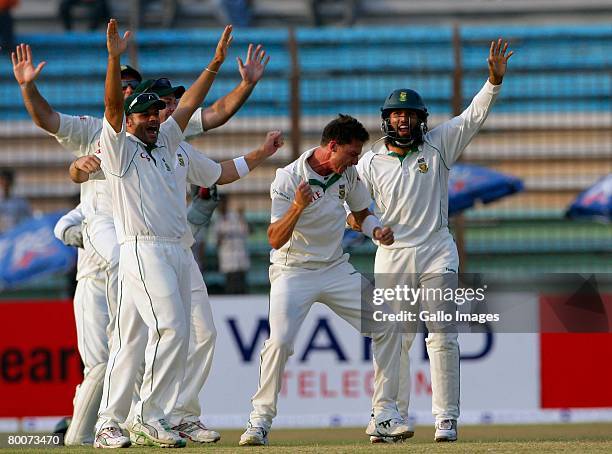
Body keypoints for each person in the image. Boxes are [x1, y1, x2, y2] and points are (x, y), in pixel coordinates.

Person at [12, 34, 269, 446]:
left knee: (132, 341)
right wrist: (114, 60)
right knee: (170, 330)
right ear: (129, 120)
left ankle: (114, 422)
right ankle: (148, 416)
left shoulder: (168, 140)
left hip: (174, 249)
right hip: (139, 248)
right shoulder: (116, 144)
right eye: (146, 112)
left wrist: (216, 64)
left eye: (157, 112)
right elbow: (113, 108)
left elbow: (190, 111)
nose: (155, 118)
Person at [349, 38, 514, 443]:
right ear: (386, 120)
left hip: (437, 251)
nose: (403, 121)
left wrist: (492, 82)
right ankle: (388, 416)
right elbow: (353, 211)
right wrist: (364, 226)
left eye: (409, 115)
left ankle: (446, 419)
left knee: (442, 335)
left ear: (421, 119)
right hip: (391, 256)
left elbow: (472, 117)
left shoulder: (438, 144)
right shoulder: (369, 161)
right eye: (396, 115)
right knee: (394, 341)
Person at [239, 114, 411, 446]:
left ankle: (384, 415)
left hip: (334, 268)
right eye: (351, 154)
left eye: (357, 155)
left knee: (389, 324)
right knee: (279, 343)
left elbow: (361, 214)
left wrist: (376, 230)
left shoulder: (347, 174)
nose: (355, 161)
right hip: (294, 271)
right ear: (332, 146)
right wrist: (298, 207)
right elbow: (274, 239)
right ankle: (259, 421)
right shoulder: (287, 178)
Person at [213, 197, 250, 294]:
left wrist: (242, 216)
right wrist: (221, 236)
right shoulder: (217, 221)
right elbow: (216, 243)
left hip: (240, 258)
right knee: (230, 288)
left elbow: (246, 231)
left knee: (241, 288)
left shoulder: (236, 217)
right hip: (227, 260)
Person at [0, 169, 32, 233]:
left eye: (7, 181)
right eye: (2, 182)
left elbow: (28, 221)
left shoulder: (20, 203)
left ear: (11, 182)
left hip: (15, 237)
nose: (4, 185)